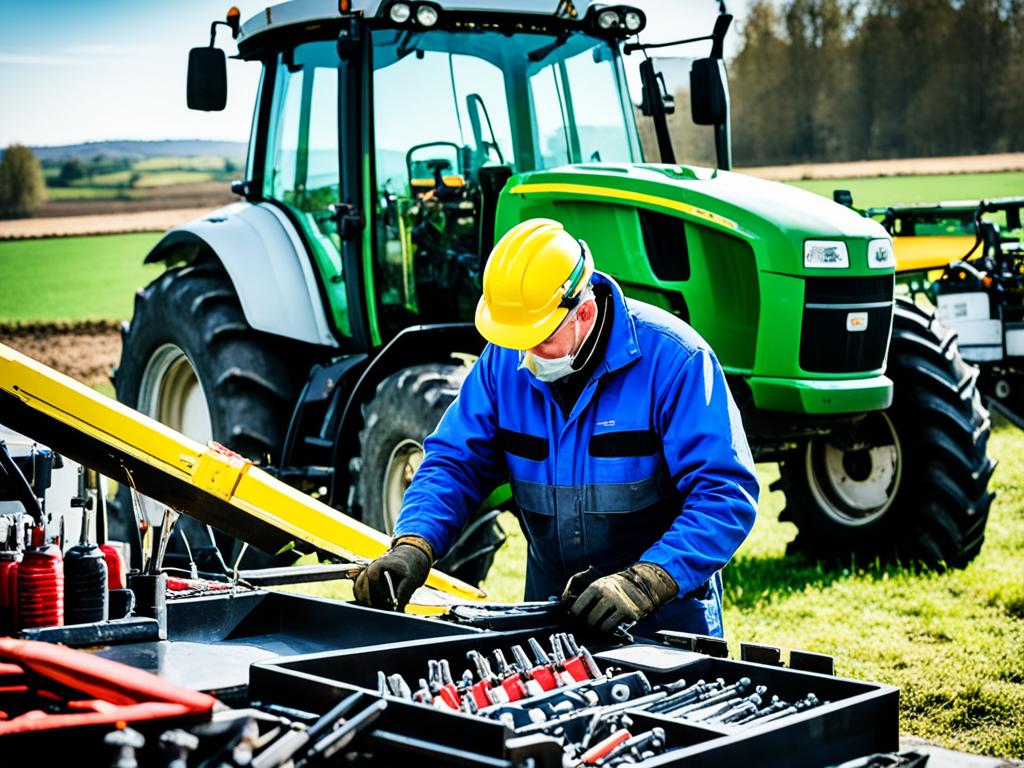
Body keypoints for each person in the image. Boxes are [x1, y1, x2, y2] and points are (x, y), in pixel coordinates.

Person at [354, 218, 759, 637]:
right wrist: (414, 545)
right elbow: (456, 462)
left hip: (663, 621)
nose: (527, 354)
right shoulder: (502, 362)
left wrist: (645, 583)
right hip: (552, 619)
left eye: (540, 338)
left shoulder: (676, 361)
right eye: (517, 340)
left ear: (583, 312)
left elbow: (725, 494)